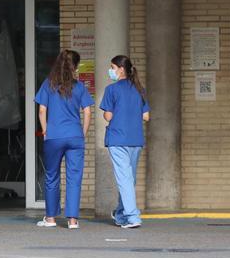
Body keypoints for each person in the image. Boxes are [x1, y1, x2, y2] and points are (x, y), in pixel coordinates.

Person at [34, 49, 93, 229]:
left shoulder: (48, 84)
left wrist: (45, 130)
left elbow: (42, 110)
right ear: (74, 66)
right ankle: (73, 220)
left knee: (52, 176)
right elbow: (88, 111)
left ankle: (50, 218)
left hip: (54, 136)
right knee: (74, 178)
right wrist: (82, 132)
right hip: (75, 136)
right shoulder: (80, 86)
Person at [100, 55, 150, 229]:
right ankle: (121, 214)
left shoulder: (111, 90)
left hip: (118, 138)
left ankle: (133, 217)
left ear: (121, 69)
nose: (110, 71)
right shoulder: (140, 89)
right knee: (129, 179)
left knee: (124, 179)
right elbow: (146, 116)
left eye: (112, 67)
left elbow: (108, 115)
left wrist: (114, 114)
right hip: (135, 139)